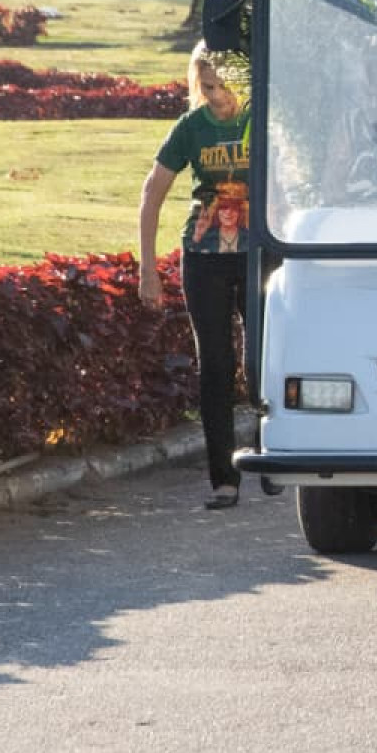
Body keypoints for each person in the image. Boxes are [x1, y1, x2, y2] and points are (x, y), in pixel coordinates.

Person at [138, 44, 260, 510]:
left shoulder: (259, 118)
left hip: (257, 253)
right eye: (206, 87)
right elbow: (153, 191)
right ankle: (224, 479)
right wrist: (148, 268)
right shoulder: (192, 127)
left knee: (261, 362)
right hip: (204, 256)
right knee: (216, 365)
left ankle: (269, 457)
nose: (217, 96)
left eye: (223, 86)